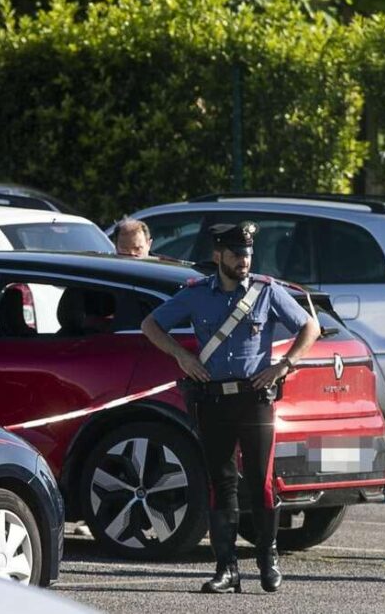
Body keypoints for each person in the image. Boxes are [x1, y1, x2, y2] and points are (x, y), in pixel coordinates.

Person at [140, 222, 320, 594]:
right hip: (213, 399)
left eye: (248, 253)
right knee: (220, 484)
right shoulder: (196, 294)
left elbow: (310, 328)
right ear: (218, 255)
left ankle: (267, 560)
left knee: (261, 483)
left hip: (254, 399)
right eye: (237, 253)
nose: (244, 260)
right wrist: (180, 356)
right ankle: (227, 568)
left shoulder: (266, 291)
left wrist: (283, 365)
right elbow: (151, 325)